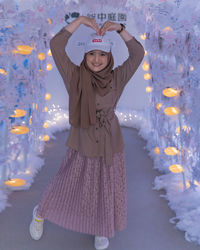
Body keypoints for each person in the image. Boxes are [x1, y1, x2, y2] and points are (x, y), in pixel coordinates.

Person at [29, 16, 144, 250]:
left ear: (109, 56)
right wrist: (79, 21)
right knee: (66, 182)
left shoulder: (116, 78)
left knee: (105, 187)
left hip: (110, 142)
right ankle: (40, 212)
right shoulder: (74, 76)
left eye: (102, 54)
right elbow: (56, 45)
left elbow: (138, 54)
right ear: (85, 56)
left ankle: (101, 229)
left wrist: (121, 29)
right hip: (82, 141)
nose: (97, 59)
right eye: (92, 53)